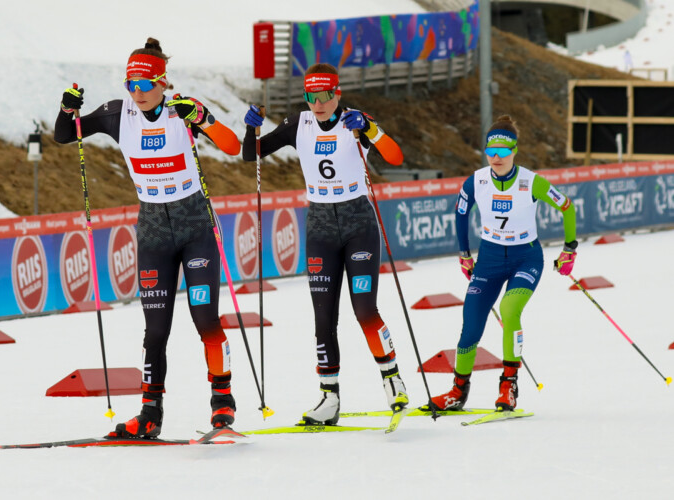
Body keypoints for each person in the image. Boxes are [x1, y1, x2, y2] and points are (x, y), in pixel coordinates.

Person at [54, 38, 242, 435]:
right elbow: (64, 135)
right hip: (154, 229)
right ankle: (150, 413)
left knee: (204, 317)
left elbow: (232, 145)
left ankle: (222, 404)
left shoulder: (181, 111)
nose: (137, 93)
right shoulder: (115, 114)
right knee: (155, 328)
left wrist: (205, 118)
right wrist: (68, 108)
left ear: (162, 83)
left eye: (144, 85)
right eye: (130, 85)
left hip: (194, 226)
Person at [241, 63, 408, 425]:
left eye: (325, 96)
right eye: (311, 97)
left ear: (337, 94)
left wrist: (372, 130)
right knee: (323, 318)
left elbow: (395, 156)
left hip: (357, 222)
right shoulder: (296, 124)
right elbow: (251, 154)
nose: (318, 104)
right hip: (319, 226)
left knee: (364, 310)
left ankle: (392, 378)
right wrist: (251, 126)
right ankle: (329, 397)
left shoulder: (355, 121)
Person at [429, 115, 577, 412]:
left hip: (527, 257)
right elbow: (460, 214)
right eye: (490, 152)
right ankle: (458, 390)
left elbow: (567, 207)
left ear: (514, 151)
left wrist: (569, 249)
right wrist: (464, 253)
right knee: (470, 324)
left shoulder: (531, 181)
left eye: (503, 152)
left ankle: (508, 385)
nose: (496, 158)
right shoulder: (477, 180)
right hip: (490, 260)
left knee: (510, 310)